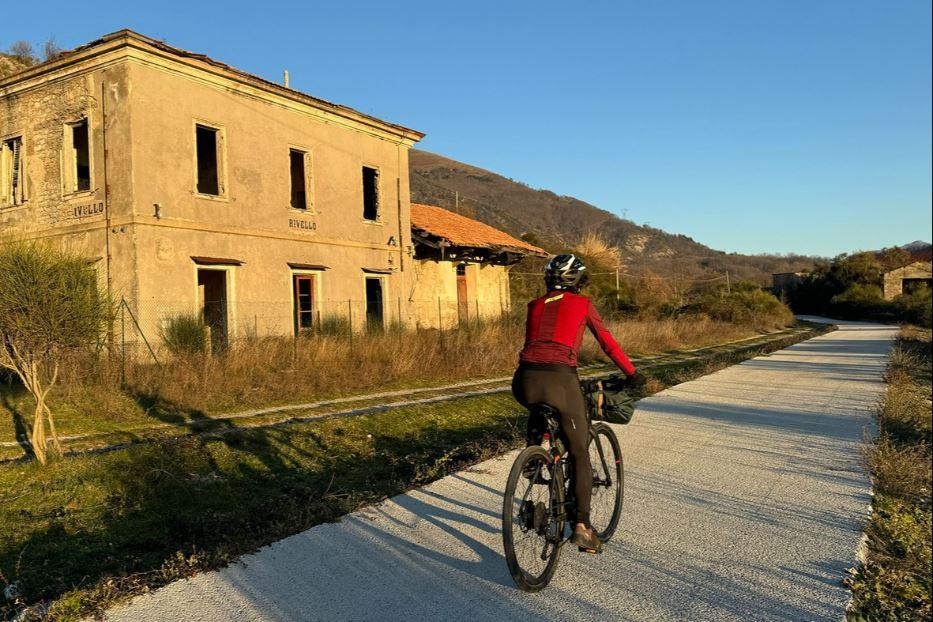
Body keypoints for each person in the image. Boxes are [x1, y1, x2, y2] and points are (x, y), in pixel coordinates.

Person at [511, 254, 639, 552]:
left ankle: (534, 453)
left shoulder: (535, 305)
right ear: (580, 282)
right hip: (560, 380)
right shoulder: (582, 304)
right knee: (579, 451)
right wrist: (632, 373)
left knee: (540, 406)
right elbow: (607, 342)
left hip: (524, 381)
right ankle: (582, 526)